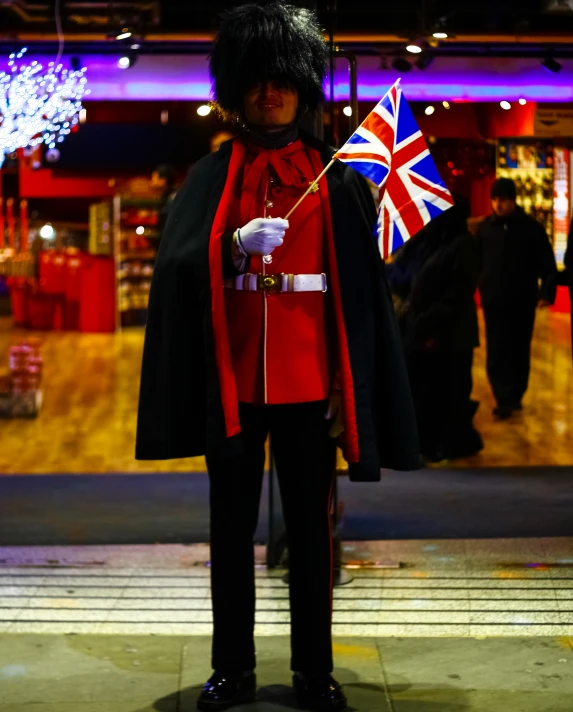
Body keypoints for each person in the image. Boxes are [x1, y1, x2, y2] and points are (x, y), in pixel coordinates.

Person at [135, 3, 419, 711]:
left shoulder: (336, 178)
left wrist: (342, 384)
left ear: (301, 87)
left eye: (282, 79)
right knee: (228, 536)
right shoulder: (213, 174)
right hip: (234, 382)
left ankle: (312, 671)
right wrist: (229, 245)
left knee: (312, 544)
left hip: (307, 385)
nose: (270, 92)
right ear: (239, 87)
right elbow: (173, 270)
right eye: (257, 80)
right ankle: (230, 668)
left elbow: (359, 297)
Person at [386, 196, 483, 462]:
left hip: (450, 334)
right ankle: (429, 445)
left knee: (449, 393)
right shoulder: (435, 241)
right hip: (426, 330)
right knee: (430, 393)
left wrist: (426, 321)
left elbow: (457, 294)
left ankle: (449, 445)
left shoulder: (463, 245)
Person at [476, 177, 558, 419]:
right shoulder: (484, 229)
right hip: (493, 301)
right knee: (497, 349)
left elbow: (548, 265)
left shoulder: (531, 229)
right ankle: (503, 397)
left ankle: (515, 394)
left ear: (513, 200)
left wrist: (546, 293)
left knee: (519, 349)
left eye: (503, 200)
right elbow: (475, 262)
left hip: (522, 302)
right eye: (495, 199)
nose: (498, 205)